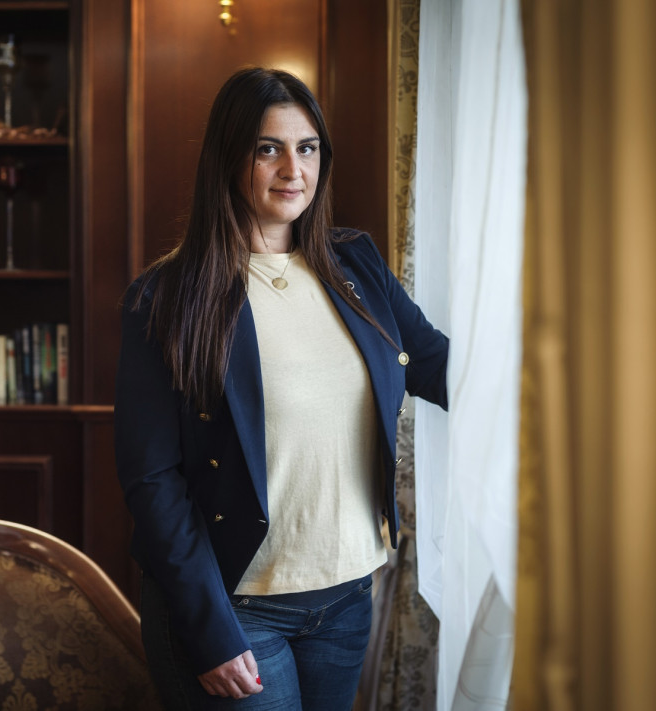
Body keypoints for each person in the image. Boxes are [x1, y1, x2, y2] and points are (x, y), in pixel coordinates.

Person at [114, 66, 449, 710]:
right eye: (269, 149)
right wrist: (208, 630)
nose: (294, 170)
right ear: (229, 157)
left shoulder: (356, 264)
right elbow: (152, 480)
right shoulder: (166, 297)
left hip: (347, 596)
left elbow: (435, 364)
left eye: (308, 148)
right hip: (235, 610)